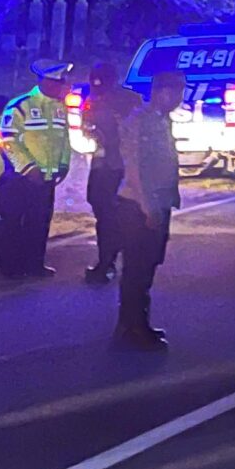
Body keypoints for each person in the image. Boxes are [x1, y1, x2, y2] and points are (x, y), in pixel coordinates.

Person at [114, 68, 184, 351]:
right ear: (162, 92)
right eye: (177, 91)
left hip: (157, 203)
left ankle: (132, 324)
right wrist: (148, 207)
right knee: (138, 269)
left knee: (148, 266)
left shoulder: (161, 120)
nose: (180, 98)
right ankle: (134, 327)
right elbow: (136, 168)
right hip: (139, 206)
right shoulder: (141, 121)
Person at [0, 61, 73, 279]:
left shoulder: (59, 108)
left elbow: (64, 140)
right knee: (13, 223)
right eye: (58, 83)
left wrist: (63, 165)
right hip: (19, 178)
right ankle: (11, 268)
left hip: (46, 178)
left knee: (39, 223)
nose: (62, 86)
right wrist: (28, 168)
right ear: (46, 82)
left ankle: (35, 265)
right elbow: (8, 141)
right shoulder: (20, 106)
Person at [80, 63, 134, 285]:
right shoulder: (98, 98)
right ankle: (111, 258)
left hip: (117, 166)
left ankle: (107, 262)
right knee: (105, 210)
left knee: (109, 215)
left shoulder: (122, 100)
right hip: (105, 165)